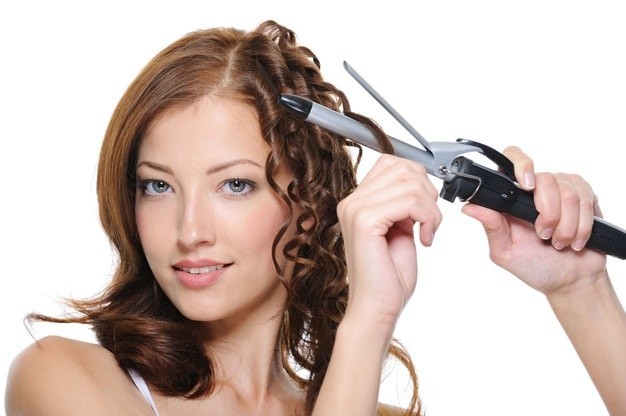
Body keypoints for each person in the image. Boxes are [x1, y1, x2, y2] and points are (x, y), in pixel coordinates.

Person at [4, 20, 626, 416]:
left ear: (310, 206)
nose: (189, 231)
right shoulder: (66, 381)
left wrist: (582, 292)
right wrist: (366, 320)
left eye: (236, 185)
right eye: (157, 186)